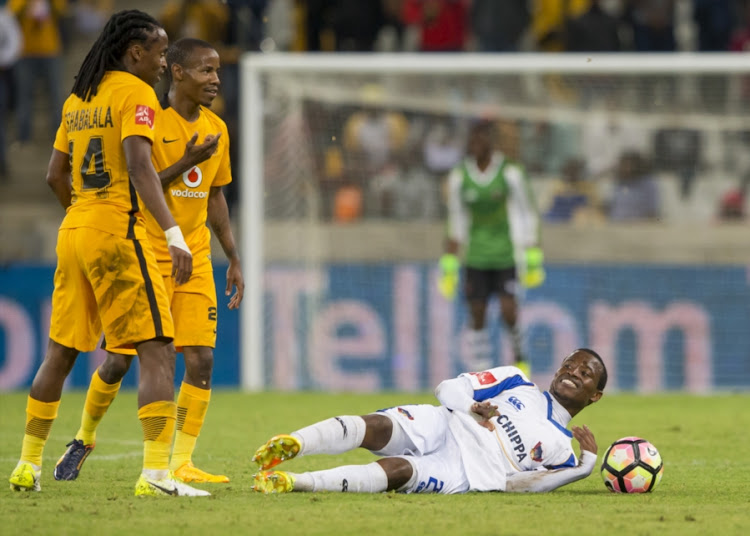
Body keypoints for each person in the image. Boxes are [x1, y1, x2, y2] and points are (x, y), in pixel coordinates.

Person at [8, 10, 209, 498]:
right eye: (160, 53)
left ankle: (26, 465)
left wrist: (85, 215)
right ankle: (158, 476)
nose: (163, 63)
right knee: (158, 349)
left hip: (74, 228)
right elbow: (140, 166)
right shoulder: (135, 93)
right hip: (119, 229)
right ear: (134, 53)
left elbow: (55, 174)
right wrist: (173, 234)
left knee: (60, 352)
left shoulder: (78, 98)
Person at [52, 37, 244, 485]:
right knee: (120, 361)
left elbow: (215, 196)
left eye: (217, 71)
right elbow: (136, 184)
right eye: (205, 70)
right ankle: (83, 437)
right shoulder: (147, 119)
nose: (215, 79)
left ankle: (180, 462)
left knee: (200, 359)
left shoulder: (217, 127)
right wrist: (187, 160)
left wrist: (232, 256)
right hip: (143, 249)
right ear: (176, 72)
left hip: (193, 254)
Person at [251, 348, 606, 495]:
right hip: (446, 421)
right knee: (376, 426)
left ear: (595, 396)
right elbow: (447, 387)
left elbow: (523, 485)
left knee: (397, 471)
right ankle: (295, 441)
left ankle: (295, 482)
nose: (573, 372)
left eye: (585, 372)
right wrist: (470, 407)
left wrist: (585, 467)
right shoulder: (516, 380)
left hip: (465, 470)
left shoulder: (563, 452)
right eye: (570, 364)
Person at [438, 120, 542, 374]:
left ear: (490, 142)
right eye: (472, 140)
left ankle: (520, 360)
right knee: (477, 313)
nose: (476, 145)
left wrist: (532, 254)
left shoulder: (510, 172)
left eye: (481, 140)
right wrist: (450, 263)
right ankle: (480, 369)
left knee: (509, 311)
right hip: (476, 256)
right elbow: (456, 218)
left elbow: (528, 212)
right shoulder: (459, 177)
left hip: (506, 254)